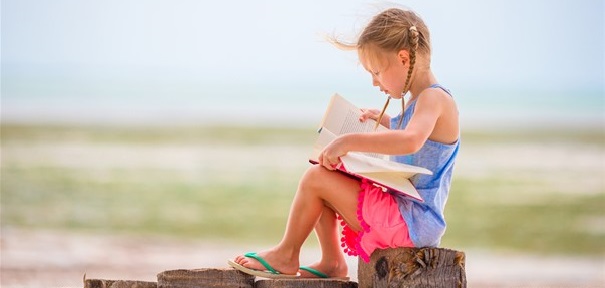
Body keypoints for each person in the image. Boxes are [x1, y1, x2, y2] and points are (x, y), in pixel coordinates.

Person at [228, 7, 460, 279]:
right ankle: (332, 263)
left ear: (403, 58)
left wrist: (348, 141)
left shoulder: (435, 99)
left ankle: (287, 254)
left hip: (412, 222)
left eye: (376, 72)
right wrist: (387, 121)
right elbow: (414, 133)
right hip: (407, 217)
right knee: (328, 172)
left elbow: (411, 140)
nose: (375, 82)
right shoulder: (419, 102)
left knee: (316, 178)